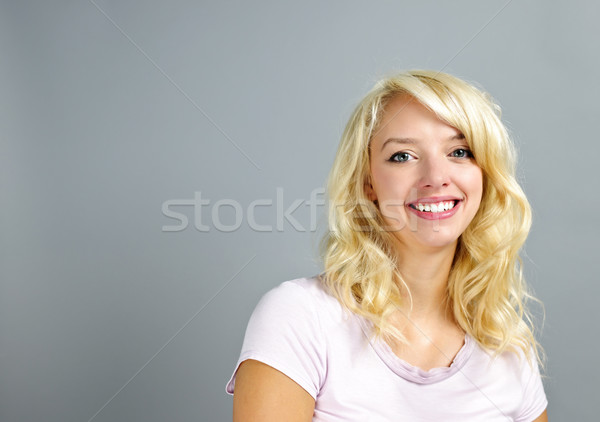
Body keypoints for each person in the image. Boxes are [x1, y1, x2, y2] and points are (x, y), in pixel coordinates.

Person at [226, 70, 548, 421]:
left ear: (484, 174)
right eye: (403, 156)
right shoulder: (300, 317)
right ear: (368, 184)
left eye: (460, 151)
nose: (436, 177)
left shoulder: (508, 348)